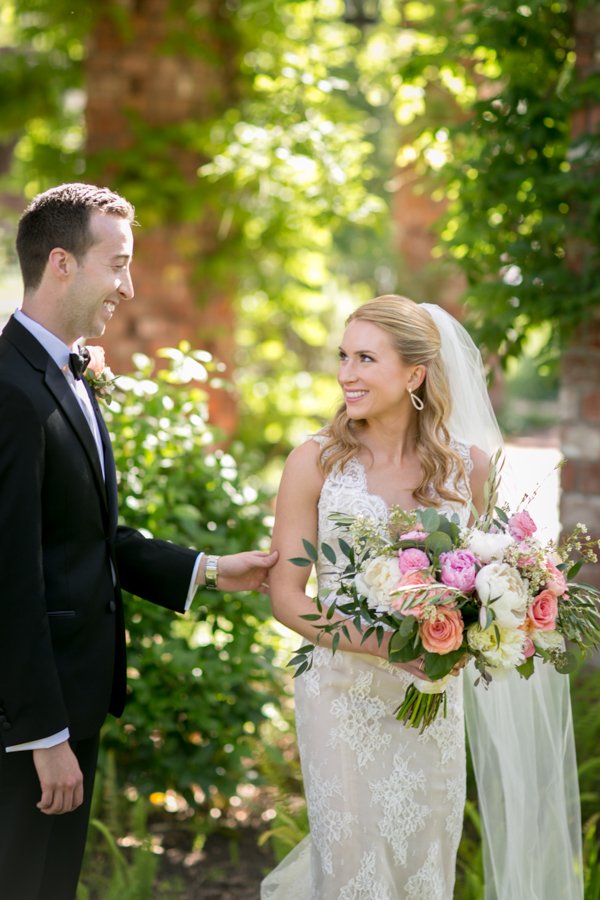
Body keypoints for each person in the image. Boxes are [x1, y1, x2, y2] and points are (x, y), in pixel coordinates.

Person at [0, 182, 277, 900]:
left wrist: (211, 570)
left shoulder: (69, 370)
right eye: (117, 263)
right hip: (29, 722)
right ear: (61, 263)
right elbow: (8, 576)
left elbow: (87, 533)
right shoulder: (10, 391)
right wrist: (43, 736)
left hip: (73, 701)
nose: (129, 285)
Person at [261, 295, 582, 899]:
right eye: (343, 356)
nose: (346, 374)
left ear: (414, 373)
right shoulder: (315, 463)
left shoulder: (469, 469)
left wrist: (486, 623)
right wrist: (384, 643)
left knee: (421, 862)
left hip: (430, 697)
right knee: (353, 868)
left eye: (365, 358)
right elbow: (286, 597)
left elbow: (500, 576)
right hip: (340, 696)